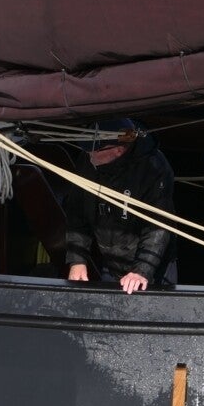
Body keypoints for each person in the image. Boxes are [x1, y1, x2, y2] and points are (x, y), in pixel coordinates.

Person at [65, 118, 177, 294]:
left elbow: (158, 227)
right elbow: (76, 212)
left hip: (153, 262)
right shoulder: (89, 160)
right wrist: (77, 259)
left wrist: (142, 270)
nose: (89, 154)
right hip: (110, 260)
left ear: (118, 150)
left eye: (95, 149)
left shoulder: (154, 168)